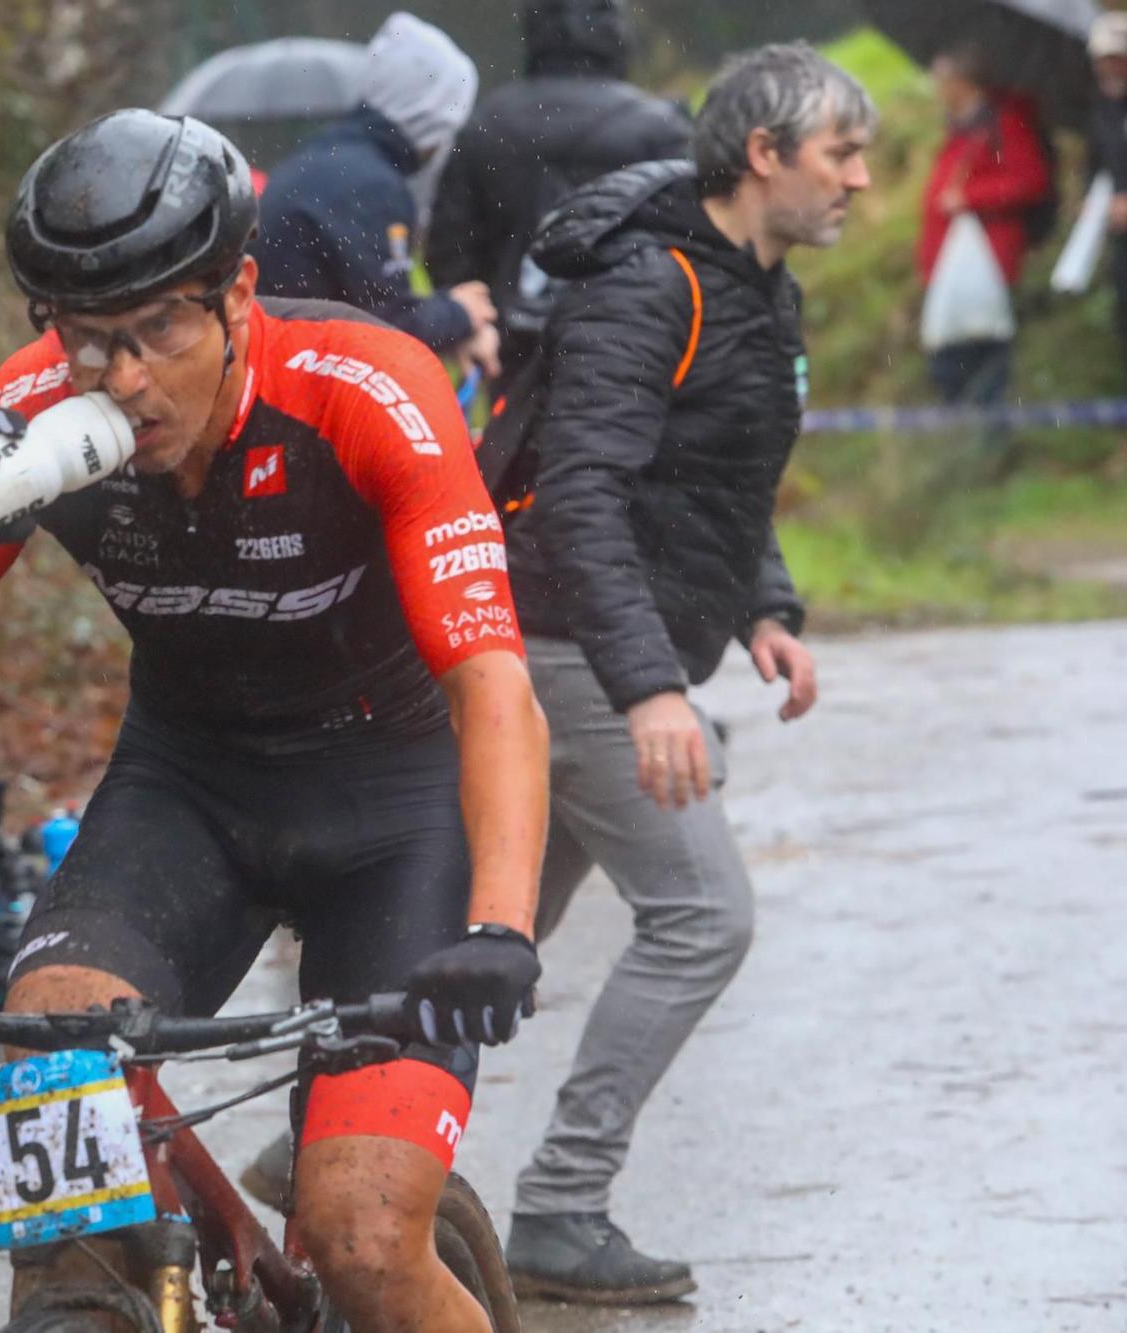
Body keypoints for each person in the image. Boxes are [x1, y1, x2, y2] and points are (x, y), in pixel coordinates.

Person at [0, 109, 549, 1333]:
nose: (124, 378)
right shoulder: (36, 423)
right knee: (50, 1068)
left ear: (238, 294)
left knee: (364, 1241)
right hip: (189, 791)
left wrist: (503, 926)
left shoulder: (365, 389)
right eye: (86, 338)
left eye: (157, 327)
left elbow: (493, 687)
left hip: (391, 801)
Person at [499, 44, 872, 1304]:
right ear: (760, 156)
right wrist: (649, 686)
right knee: (702, 914)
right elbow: (578, 496)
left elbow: (717, 471)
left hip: (611, 643)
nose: (860, 182)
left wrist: (763, 604)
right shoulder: (649, 288)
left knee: (496, 935)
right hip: (567, 647)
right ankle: (557, 1206)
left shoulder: (759, 287)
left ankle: (326, 1146)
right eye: (840, 153)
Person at [426, 0, 691, 385]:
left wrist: (475, 318)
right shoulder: (659, 127)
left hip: (513, 348)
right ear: (614, 33)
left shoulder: (485, 124)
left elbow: (449, 248)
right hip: (631, 341)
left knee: (511, 443)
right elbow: (693, 237)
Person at [254, 11, 501, 374]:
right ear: (429, 113)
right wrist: (460, 313)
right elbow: (384, 327)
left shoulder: (325, 157)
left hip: (275, 360)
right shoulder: (372, 186)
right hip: (301, 380)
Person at [919, 44, 1053, 408]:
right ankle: (968, 448)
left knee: (984, 363)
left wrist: (971, 197)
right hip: (952, 269)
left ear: (962, 83)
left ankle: (987, 448)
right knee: (951, 364)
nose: (937, 89)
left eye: (942, 81)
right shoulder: (961, 129)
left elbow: (1030, 180)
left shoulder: (1002, 125)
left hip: (988, 264)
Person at [1087, 13, 1127, 371]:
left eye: (1115, 58)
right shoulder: (1103, 109)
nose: (1108, 66)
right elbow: (1096, 164)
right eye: (1102, 60)